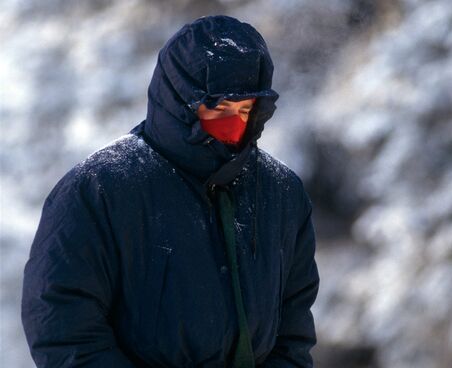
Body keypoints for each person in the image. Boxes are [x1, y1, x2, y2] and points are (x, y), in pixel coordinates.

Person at [21, 15, 319, 368]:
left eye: (245, 109)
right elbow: (62, 325)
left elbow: (293, 326)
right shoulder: (99, 189)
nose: (234, 124)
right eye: (219, 108)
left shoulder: (281, 192)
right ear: (179, 100)